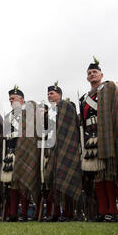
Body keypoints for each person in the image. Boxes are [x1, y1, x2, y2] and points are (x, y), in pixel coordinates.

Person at [79, 58, 118, 222]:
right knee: (97, 175)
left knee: (109, 174)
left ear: (101, 74)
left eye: (94, 72)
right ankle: (102, 210)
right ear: (87, 78)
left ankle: (112, 211)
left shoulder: (110, 88)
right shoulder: (85, 98)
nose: (92, 74)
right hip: (91, 138)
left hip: (107, 135)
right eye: (89, 73)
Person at [0, 86, 41, 222]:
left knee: (24, 183)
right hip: (11, 150)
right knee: (12, 184)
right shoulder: (8, 117)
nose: (11, 101)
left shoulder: (29, 112)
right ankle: (13, 214)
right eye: (10, 99)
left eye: (14, 98)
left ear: (21, 99)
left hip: (25, 151)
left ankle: (23, 214)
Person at [44, 82, 81, 222]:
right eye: (48, 94)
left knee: (67, 179)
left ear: (59, 95)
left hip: (67, 147)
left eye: (52, 93)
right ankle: (56, 212)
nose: (49, 95)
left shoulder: (67, 106)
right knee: (54, 180)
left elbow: (73, 127)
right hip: (54, 148)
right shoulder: (50, 111)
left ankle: (68, 213)